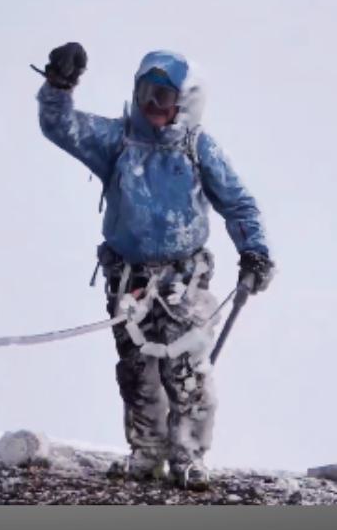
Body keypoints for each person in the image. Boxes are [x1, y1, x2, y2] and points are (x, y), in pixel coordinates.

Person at [35, 43, 274, 490]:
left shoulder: (198, 148)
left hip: (185, 282)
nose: (151, 105)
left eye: (163, 97)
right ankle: (146, 451)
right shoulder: (117, 141)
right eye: (145, 92)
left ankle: (189, 455)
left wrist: (254, 252)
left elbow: (239, 205)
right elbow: (60, 125)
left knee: (186, 372)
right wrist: (58, 86)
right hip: (129, 281)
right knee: (136, 370)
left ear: (185, 103)